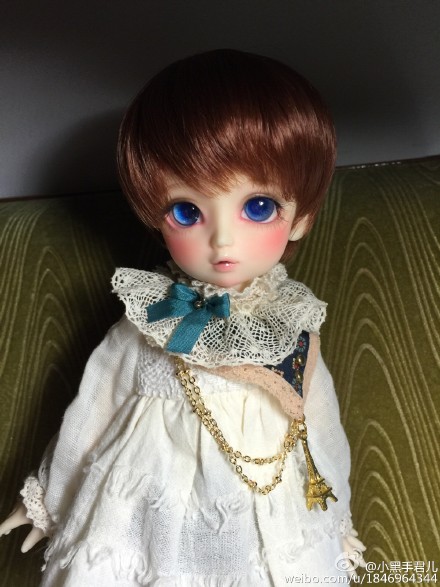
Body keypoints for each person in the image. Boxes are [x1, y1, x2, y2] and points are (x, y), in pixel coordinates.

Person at [0, 49, 366, 585]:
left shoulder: (288, 325)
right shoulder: (154, 318)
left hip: (270, 513)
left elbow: (322, 428)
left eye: (258, 207)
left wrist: (337, 520)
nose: (222, 240)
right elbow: (91, 410)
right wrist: (47, 502)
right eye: (187, 211)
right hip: (149, 511)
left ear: (301, 219)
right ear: (156, 218)